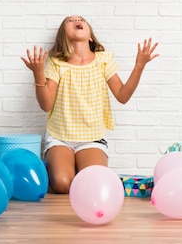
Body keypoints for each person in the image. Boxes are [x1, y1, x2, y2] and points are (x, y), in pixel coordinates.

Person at [21, 15, 159, 194]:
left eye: (81, 19)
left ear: (91, 37)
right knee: (62, 185)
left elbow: (122, 96)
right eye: (70, 21)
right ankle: (66, 167)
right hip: (60, 137)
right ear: (64, 36)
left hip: (92, 138)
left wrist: (139, 66)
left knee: (94, 185)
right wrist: (38, 74)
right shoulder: (57, 64)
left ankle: (77, 168)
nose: (76, 20)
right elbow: (46, 105)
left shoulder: (103, 61)